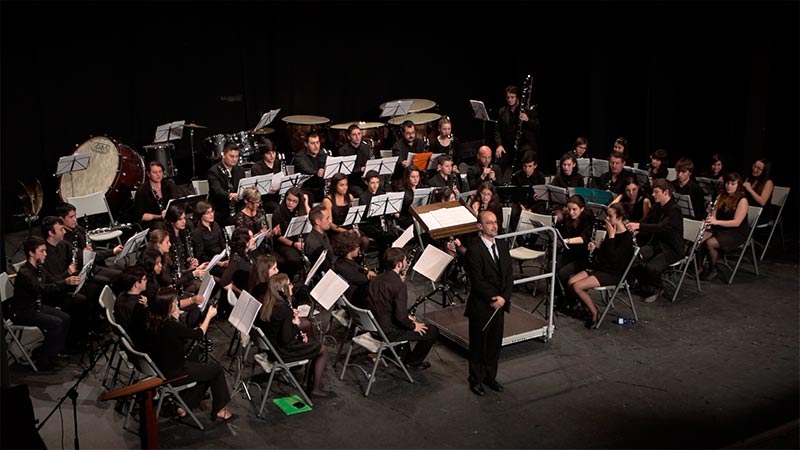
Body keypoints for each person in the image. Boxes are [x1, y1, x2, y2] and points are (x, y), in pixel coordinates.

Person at [142, 288, 234, 421]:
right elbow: (198, 335)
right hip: (175, 372)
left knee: (204, 370)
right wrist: (208, 316)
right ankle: (220, 410)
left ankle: (184, 406)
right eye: (175, 302)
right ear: (169, 306)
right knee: (217, 370)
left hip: (162, 367)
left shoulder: (153, 321)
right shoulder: (171, 325)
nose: (177, 303)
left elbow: (182, 334)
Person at [253, 274, 331, 397]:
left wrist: (298, 334)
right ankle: (315, 389)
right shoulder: (284, 309)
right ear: (283, 289)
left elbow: (278, 330)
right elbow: (284, 339)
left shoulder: (267, 303)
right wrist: (295, 325)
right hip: (282, 353)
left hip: (270, 349)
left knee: (310, 341)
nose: (292, 286)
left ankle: (306, 381)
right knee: (323, 349)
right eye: (289, 284)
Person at [464, 210, 512, 396]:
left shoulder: (502, 244)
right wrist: (495, 298)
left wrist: (504, 298)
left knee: (494, 344)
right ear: (480, 226)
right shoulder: (474, 249)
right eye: (489, 223)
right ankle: (475, 379)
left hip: (499, 305)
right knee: (478, 345)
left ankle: (490, 377)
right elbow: (478, 281)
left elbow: (508, 275)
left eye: (495, 222)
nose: (494, 226)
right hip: (482, 306)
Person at [367, 248, 439, 371]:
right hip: (388, 332)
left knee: (408, 318)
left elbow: (384, 304)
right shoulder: (399, 286)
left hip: (373, 326)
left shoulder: (376, 278)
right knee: (432, 331)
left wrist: (405, 317)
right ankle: (413, 362)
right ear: (399, 264)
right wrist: (412, 325)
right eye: (405, 260)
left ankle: (402, 355)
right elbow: (400, 319)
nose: (406, 263)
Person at [9, 236, 72, 371]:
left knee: (65, 318)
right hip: (23, 312)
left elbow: (52, 280)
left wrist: (68, 276)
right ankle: (43, 360)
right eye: (42, 251)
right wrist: (66, 282)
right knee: (56, 323)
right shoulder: (25, 273)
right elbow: (41, 288)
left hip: (35, 307)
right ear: (32, 253)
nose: (45, 254)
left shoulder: (40, 267)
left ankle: (53, 352)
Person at [567, 203, 634, 328]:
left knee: (577, 286)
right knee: (571, 282)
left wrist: (612, 237)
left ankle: (595, 312)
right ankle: (587, 306)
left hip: (613, 273)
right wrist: (596, 249)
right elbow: (605, 254)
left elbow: (615, 260)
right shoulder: (611, 232)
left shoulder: (626, 238)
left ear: (619, 218)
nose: (607, 219)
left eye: (610, 216)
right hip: (601, 268)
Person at [627, 178, 684, 303]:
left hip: (671, 248)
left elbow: (661, 227)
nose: (653, 195)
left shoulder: (675, 210)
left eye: (656, 192)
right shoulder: (656, 208)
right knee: (635, 256)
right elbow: (646, 221)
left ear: (666, 192)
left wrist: (639, 227)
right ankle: (645, 286)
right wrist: (635, 228)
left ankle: (657, 288)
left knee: (652, 267)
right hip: (657, 245)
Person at [698, 173, 750, 281]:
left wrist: (716, 222)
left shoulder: (742, 200)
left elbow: (736, 222)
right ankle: (700, 267)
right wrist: (709, 220)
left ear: (738, 185)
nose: (729, 186)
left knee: (710, 243)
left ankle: (713, 268)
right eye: (727, 183)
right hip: (721, 227)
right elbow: (714, 215)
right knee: (700, 237)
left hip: (736, 232)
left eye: (733, 183)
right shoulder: (720, 196)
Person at [553, 195, 594, 311]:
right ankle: (560, 298)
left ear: (582, 209)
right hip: (569, 252)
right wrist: (559, 220)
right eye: (569, 209)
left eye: (574, 209)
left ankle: (571, 299)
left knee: (563, 273)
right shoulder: (567, 218)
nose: (571, 212)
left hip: (582, 255)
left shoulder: (588, 219)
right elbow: (559, 232)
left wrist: (566, 241)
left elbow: (584, 238)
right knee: (551, 267)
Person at [493, 84, 539, 179]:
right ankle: (500, 183)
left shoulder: (526, 110)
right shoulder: (502, 111)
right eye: (508, 97)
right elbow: (497, 130)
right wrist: (499, 145)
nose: (510, 100)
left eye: (512, 97)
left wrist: (527, 120)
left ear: (517, 97)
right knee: (499, 158)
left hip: (524, 144)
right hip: (508, 145)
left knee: (527, 156)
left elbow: (537, 126)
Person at [272, 187, 311, 281]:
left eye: (294, 201)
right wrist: (293, 244)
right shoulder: (278, 212)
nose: (290, 203)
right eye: (288, 200)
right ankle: (290, 279)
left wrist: (305, 204)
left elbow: (311, 218)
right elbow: (278, 237)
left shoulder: (300, 210)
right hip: (285, 243)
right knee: (294, 259)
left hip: (299, 241)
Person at [358, 170, 401, 253]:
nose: (375, 185)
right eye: (372, 183)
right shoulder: (363, 196)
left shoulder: (382, 193)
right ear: (367, 183)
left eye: (377, 182)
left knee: (393, 234)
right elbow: (366, 216)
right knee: (383, 237)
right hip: (369, 224)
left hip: (382, 223)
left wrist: (393, 213)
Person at [333, 231, 376, 308]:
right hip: (358, 299)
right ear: (350, 248)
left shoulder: (343, 261)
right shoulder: (345, 267)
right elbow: (365, 280)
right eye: (356, 246)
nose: (358, 248)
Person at [207, 143, 245, 227]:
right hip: (221, 208)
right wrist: (229, 195)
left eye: (237, 156)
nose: (235, 159)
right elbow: (217, 190)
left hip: (237, 206)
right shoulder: (214, 171)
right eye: (231, 156)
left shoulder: (240, 170)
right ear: (223, 155)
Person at [508, 150, 547, 231]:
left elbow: (541, 197)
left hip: (535, 204)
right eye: (525, 166)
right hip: (521, 204)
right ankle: (519, 239)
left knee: (541, 212)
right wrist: (521, 205)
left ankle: (532, 240)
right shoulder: (517, 176)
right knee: (513, 212)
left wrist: (531, 209)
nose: (527, 169)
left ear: (535, 166)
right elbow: (515, 195)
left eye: (530, 166)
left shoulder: (540, 177)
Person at [134, 161, 179, 231]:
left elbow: (175, 202)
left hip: (170, 217)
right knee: (160, 226)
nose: (158, 175)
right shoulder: (142, 190)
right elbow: (141, 216)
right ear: (148, 174)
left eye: (160, 172)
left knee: (186, 223)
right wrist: (159, 217)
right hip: (152, 222)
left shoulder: (169, 184)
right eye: (155, 172)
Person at [234, 187, 280, 254]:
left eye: (258, 202)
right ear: (246, 201)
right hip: (250, 249)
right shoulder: (240, 218)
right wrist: (258, 234)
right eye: (254, 203)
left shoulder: (260, 212)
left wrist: (272, 233)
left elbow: (266, 235)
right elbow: (243, 241)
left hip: (263, 246)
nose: (257, 205)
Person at [191, 201, 229, 277]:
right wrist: (219, 263)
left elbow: (223, 243)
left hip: (222, 258)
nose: (211, 214)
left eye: (212, 211)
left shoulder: (216, 225)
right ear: (201, 215)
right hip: (210, 263)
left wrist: (227, 258)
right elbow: (201, 255)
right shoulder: (197, 232)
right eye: (208, 213)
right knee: (226, 273)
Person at [114, 266, 149, 347]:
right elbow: (145, 328)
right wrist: (146, 307)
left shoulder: (121, 295)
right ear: (137, 284)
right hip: (140, 341)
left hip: (130, 332)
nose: (146, 281)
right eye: (144, 279)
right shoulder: (138, 306)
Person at [292, 131, 328, 203]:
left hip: (320, 187)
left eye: (317, 142)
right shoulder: (299, 156)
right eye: (312, 143)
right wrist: (318, 173)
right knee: (309, 197)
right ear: (306, 144)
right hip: (306, 188)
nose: (316, 146)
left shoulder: (322, 153)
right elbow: (306, 170)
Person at [337, 123, 371, 197]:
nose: (357, 137)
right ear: (349, 137)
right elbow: (344, 172)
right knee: (360, 193)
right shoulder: (343, 151)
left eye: (359, 134)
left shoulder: (365, 148)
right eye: (354, 135)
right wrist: (360, 169)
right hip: (350, 181)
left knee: (378, 189)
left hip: (363, 179)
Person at [249, 138, 282, 213]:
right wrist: (268, 190)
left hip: (279, 196)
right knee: (277, 208)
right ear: (263, 154)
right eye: (268, 153)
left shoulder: (279, 163)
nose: (272, 156)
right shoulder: (256, 168)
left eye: (273, 152)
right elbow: (256, 190)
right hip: (265, 200)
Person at [390, 120, 426, 186]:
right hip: (402, 177)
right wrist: (402, 163)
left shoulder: (420, 143)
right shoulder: (397, 146)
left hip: (417, 178)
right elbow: (398, 160)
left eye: (413, 133)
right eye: (408, 133)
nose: (411, 135)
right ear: (403, 133)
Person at [303, 205, 335, 274]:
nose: (330, 221)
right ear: (318, 222)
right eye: (327, 218)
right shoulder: (314, 244)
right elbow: (325, 267)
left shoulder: (323, 234)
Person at [742, 158, 774, 225]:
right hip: (748, 210)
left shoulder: (768, 182)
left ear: (765, 171)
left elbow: (762, 202)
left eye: (759, 168)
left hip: (760, 213)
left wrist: (750, 189)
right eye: (754, 166)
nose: (755, 169)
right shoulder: (749, 179)